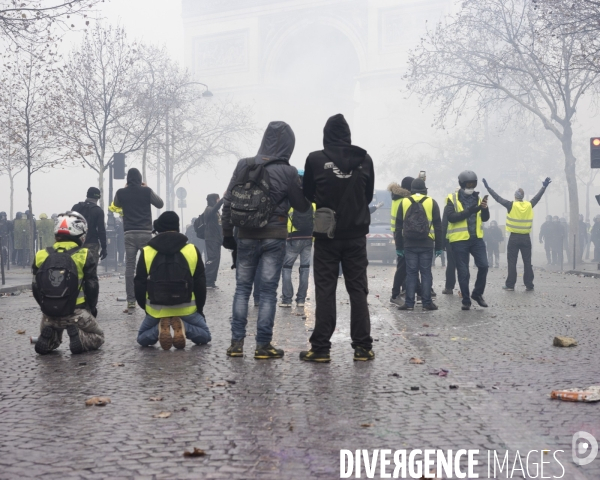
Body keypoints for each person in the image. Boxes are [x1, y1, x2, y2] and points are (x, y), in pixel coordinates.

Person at [222, 121, 310, 359]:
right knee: (269, 292)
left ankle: (236, 344)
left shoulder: (244, 164)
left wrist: (228, 234)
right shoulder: (288, 171)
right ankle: (263, 346)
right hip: (274, 236)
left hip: (246, 236)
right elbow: (302, 207)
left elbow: (228, 201)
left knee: (242, 289)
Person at [300, 113, 375, 362]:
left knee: (325, 291)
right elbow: (368, 195)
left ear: (326, 135)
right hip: (355, 237)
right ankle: (363, 347)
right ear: (348, 135)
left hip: (326, 237)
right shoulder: (365, 160)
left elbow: (308, 194)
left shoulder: (314, 159)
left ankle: (321, 348)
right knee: (357, 290)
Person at [134, 211, 211, 350]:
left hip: (157, 309)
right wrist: (199, 309)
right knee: (205, 335)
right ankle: (183, 327)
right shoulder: (191, 250)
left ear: (159, 230)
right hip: (186, 308)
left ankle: (159, 328)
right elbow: (200, 284)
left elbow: (139, 284)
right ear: (177, 227)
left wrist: (146, 308)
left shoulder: (146, 251)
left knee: (142, 338)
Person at [31, 211, 104, 355]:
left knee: (54, 343)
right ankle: (79, 337)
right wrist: (91, 308)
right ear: (81, 234)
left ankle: (51, 335)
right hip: (76, 312)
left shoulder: (41, 255)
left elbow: (35, 287)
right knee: (99, 337)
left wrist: (45, 307)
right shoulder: (84, 255)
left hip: (49, 314)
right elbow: (92, 286)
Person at [482, 177, 550, 291]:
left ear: (515, 196)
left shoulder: (511, 205)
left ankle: (510, 284)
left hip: (513, 238)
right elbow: (537, 198)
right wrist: (543, 187)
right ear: (522, 197)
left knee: (512, 262)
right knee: (527, 262)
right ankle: (529, 284)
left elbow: (497, 198)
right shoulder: (529, 205)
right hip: (526, 238)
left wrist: (488, 188)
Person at [113, 168, 164, 313]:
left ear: (127, 179)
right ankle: (153, 297)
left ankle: (131, 302)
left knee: (130, 267)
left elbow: (116, 204)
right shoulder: (146, 191)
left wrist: (125, 188)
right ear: (140, 178)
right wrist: (146, 188)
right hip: (146, 233)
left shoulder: (121, 192)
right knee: (150, 266)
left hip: (129, 233)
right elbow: (160, 204)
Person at [395, 178, 442, 311]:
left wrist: (399, 246)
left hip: (409, 243)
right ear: (424, 189)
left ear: (411, 189)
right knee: (426, 272)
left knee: (411, 273)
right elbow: (438, 226)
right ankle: (427, 303)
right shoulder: (431, 202)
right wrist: (439, 246)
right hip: (427, 243)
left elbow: (398, 226)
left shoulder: (404, 202)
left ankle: (409, 303)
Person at [445, 171, 490, 311]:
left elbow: (485, 218)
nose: (471, 187)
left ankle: (477, 294)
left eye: (473, 184)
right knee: (463, 272)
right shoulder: (451, 198)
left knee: (484, 265)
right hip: (459, 240)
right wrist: (470, 210)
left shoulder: (478, 197)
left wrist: (484, 208)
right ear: (462, 184)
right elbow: (451, 217)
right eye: (468, 184)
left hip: (476, 239)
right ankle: (466, 300)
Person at [280, 169, 315, 308]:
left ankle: (287, 299)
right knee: (305, 268)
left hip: (293, 238)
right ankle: (301, 300)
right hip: (308, 238)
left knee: (287, 267)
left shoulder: (291, 198)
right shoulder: (313, 198)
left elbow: (283, 214)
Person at [389, 177, 413, 305]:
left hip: (398, 234)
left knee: (406, 264)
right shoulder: (404, 200)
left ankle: (408, 290)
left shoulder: (396, 197)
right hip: (403, 235)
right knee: (405, 264)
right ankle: (396, 293)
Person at [72, 187, 108, 264]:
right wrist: (104, 248)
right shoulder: (98, 211)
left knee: (76, 267)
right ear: (98, 198)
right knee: (91, 269)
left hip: (76, 243)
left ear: (87, 195)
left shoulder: (76, 207)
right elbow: (101, 230)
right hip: (92, 242)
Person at [203, 193, 224, 289]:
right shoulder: (209, 209)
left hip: (216, 239)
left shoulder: (216, 212)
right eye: (217, 198)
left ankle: (211, 281)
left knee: (216, 259)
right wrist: (224, 199)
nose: (218, 200)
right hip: (211, 238)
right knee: (212, 259)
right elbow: (215, 208)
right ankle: (207, 280)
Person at [441, 206, 457, 294]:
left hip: (450, 239)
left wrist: (442, 243)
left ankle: (449, 287)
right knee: (463, 264)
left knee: (451, 264)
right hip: (465, 239)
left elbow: (444, 224)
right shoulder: (467, 204)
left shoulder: (448, 206)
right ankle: (464, 288)